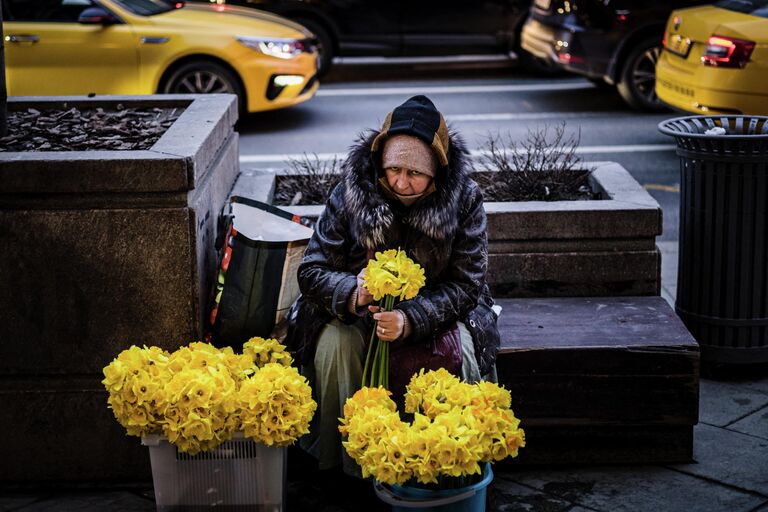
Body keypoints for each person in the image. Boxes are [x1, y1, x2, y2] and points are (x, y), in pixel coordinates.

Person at [285, 95, 500, 482]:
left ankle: (448, 459)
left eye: (415, 174)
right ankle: (347, 468)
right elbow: (312, 270)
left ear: (437, 171)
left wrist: (409, 318)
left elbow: (467, 285)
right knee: (337, 346)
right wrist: (353, 293)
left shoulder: (464, 200)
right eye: (393, 169)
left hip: (435, 311)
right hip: (358, 313)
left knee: (463, 352)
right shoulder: (351, 192)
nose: (402, 182)